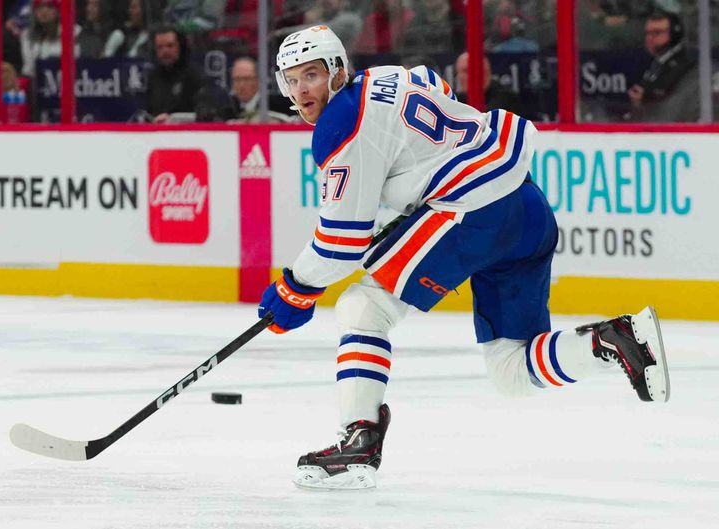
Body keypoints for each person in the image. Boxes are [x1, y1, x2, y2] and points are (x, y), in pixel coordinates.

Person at [258, 26, 671, 491]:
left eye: (311, 74)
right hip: (524, 203)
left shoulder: (341, 124)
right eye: (291, 80)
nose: (302, 89)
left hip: (473, 213)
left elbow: (341, 241)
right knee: (512, 370)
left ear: (338, 72)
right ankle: (609, 340)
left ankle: (360, 437)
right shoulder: (387, 76)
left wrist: (294, 287)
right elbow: (436, 88)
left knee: (363, 308)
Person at [626, 11, 698, 122]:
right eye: (647, 33)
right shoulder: (655, 62)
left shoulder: (686, 64)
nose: (650, 38)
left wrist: (647, 95)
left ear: (675, 35)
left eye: (657, 32)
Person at [145, 26, 203, 123]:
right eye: (160, 47)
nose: (165, 51)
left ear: (180, 46)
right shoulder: (153, 76)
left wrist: (174, 119)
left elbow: (203, 115)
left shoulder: (195, 75)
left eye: (170, 45)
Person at [226, 56, 294, 123]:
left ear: (258, 80)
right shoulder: (227, 109)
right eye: (237, 79)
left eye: (246, 79)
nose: (241, 85)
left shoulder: (281, 106)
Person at [454, 51, 523, 114]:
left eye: (468, 71)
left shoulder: (505, 98)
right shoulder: (457, 100)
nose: (464, 77)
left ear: (487, 73)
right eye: (464, 71)